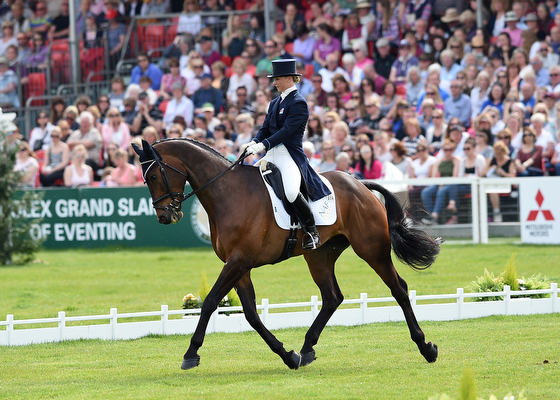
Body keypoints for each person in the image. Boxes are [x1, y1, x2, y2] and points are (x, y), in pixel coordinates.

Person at [245, 59, 331, 250]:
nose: (274, 82)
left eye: (277, 78)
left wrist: (263, 145)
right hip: (271, 153)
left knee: (291, 192)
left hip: (288, 154)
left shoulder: (299, 103)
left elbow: (286, 131)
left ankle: (311, 231)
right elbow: (265, 128)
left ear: (289, 78)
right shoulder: (275, 102)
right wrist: (254, 141)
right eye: (274, 78)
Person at [420, 139, 461, 225]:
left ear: (453, 150)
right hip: (439, 183)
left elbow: (455, 176)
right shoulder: (438, 161)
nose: (448, 152)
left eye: (450, 150)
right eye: (446, 150)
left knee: (441, 191)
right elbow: (434, 176)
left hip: (451, 185)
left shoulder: (456, 160)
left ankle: (434, 216)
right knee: (425, 192)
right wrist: (440, 183)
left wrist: (443, 183)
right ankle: (432, 216)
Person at [482, 141, 516, 222]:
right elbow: (482, 174)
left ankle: (496, 213)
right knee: (491, 190)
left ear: (504, 152)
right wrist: (491, 168)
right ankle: (484, 215)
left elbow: (513, 177)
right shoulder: (491, 160)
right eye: (496, 154)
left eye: (500, 154)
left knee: (492, 190)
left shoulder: (509, 162)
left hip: (505, 185)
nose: (498, 156)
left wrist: (503, 173)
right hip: (492, 184)